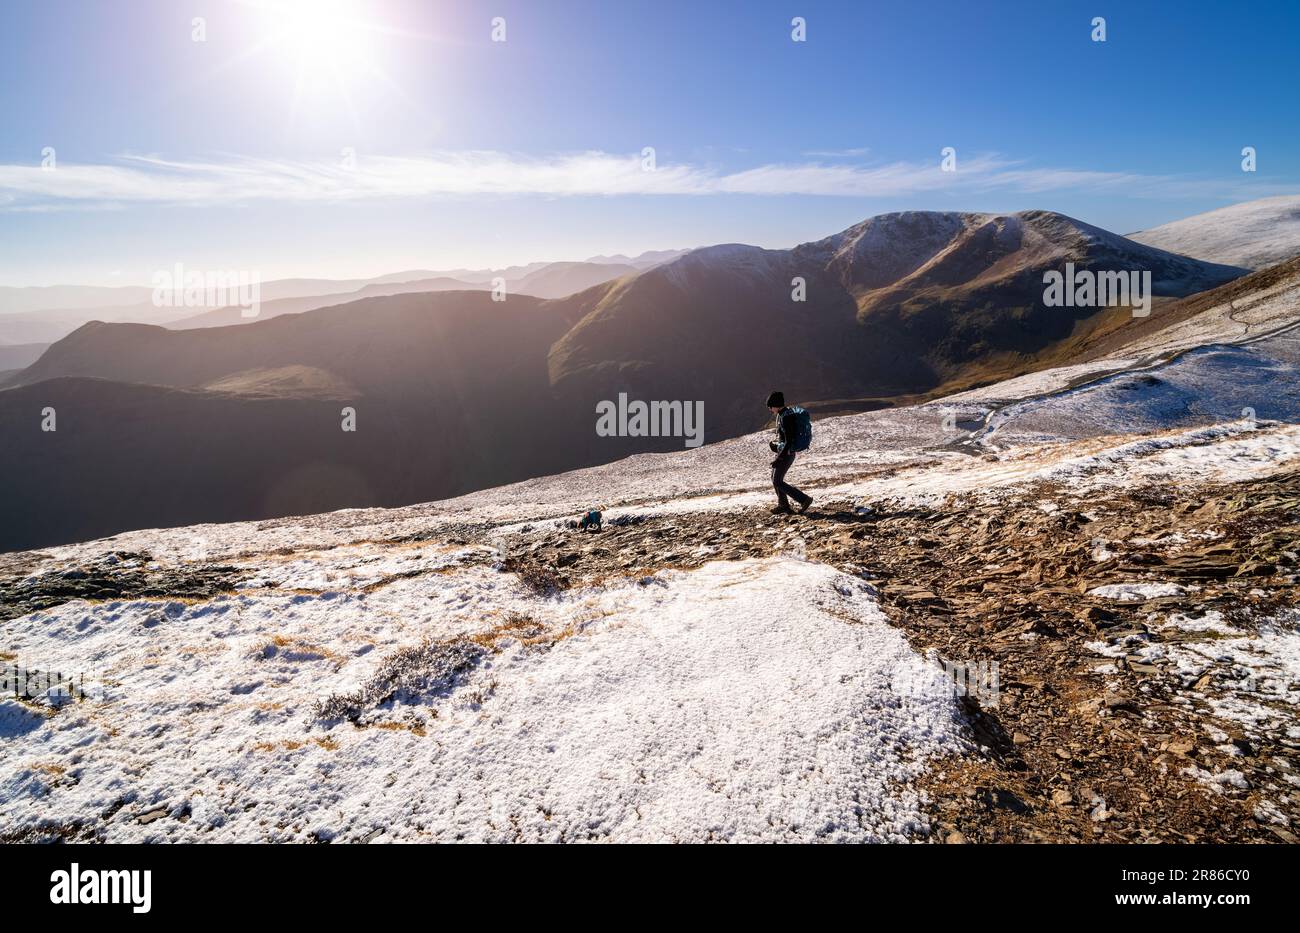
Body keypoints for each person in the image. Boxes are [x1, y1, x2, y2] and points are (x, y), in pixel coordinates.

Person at [765, 391, 812, 514]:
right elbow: (785, 439)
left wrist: (779, 458)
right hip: (784, 453)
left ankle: (803, 499)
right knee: (775, 478)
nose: (770, 409)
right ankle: (783, 505)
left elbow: (789, 440)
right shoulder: (783, 414)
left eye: (770, 406)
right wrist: (776, 448)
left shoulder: (786, 417)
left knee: (777, 481)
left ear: (775, 405)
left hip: (786, 454)